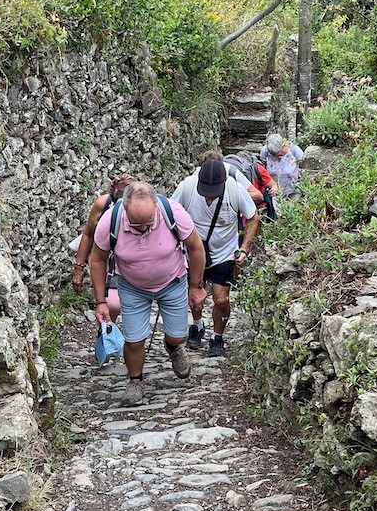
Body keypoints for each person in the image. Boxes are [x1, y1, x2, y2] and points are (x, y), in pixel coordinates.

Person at [90, 182, 206, 405]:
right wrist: (100, 301)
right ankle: (135, 381)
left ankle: (173, 347)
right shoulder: (110, 221)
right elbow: (97, 259)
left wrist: (196, 286)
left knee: (178, 335)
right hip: (132, 286)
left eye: (147, 223)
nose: (142, 229)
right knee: (134, 340)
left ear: (155, 207)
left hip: (172, 281)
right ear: (125, 210)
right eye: (136, 224)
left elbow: (195, 247)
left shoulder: (173, 212)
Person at [172, 158, 258, 357]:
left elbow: (253, 217)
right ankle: (197, 325)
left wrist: (245, 247)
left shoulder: (235, 190)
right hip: (193, 253)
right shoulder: (187, 187)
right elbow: (171, 213)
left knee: (221, 299)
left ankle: (217, 337)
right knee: (195, 297)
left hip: (224, 253)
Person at [72, 173, 135, 321]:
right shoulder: (103, 204)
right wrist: (79, 268)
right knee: (110, 303)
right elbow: (88, 234)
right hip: (104, 257)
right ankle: (107, 332)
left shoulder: (142, 205)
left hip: (130, 258)